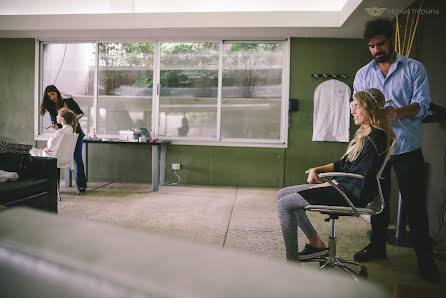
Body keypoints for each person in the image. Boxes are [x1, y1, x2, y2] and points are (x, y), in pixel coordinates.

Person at [353, 18, 437, 281]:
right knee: (378, 202)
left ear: (392, 40)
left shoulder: (415, 68)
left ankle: (425, 261)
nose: (377, 49)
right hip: (376, 148)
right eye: (372, 46)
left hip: (407, 148)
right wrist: (366, 113)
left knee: (415, 205)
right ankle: (378, 247)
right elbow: (354, 107)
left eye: (381, 44)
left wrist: (397, 112)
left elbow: (422, 105)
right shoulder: (363, 74)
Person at [277, 89, 395, 261]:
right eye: (352, 106)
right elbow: (344, 165)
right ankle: (316, 243)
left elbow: (362, 177)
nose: (352, 111)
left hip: (350, 194)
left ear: (370, 109)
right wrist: (317, 170)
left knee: (285, 204)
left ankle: (292, 259)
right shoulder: (366, 134)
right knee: (283, 194)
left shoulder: (376, 139)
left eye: (356, 106)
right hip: (343, 188)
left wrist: (331, 182)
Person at [40, 85, 87, 192]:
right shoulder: (52, 108)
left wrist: (72, 118)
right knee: (57, 157)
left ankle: (81, 185)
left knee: (77, 159)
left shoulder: (69, 102)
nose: (52, 97)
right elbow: (56, 124)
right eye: (49, 96)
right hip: (64, 134)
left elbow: (81, 113)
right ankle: (54, 186)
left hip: (76, 133)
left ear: (57, 93)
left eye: (53, 94)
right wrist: (56, 126)